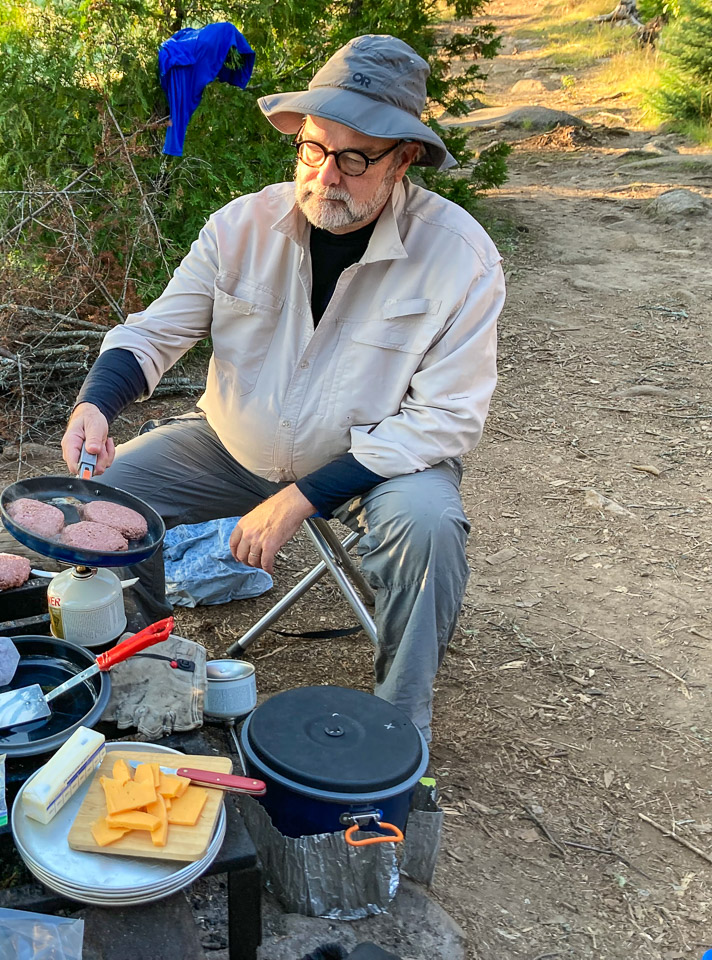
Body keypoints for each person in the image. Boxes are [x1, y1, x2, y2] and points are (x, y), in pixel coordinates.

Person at [59, 35, 504, 742]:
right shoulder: (241, 227)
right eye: (314, 149)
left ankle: (399, 725)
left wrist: (300, 499)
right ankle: (141, 662)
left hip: (374, 468)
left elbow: (445, 420)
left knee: (429, 529)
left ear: (405, 158)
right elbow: (154, 332)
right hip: (233, 447)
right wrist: (95, 402)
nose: (327, 175)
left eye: (355, 158)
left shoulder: (460, 258)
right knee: (101, 505)